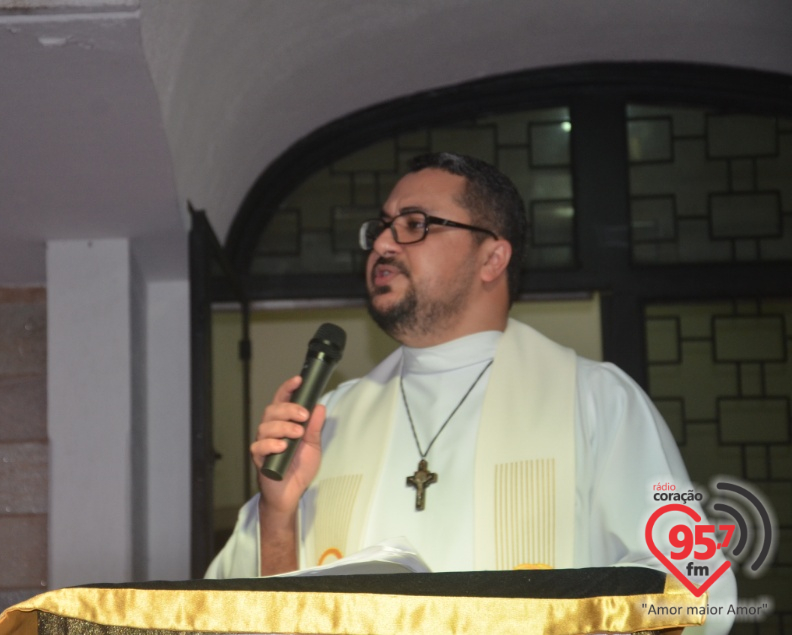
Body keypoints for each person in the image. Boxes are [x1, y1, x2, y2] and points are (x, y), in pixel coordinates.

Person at [206, 152, 735, 633]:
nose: (384, 244)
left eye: (415, 224)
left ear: (492, 258)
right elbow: (228, 610)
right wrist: (278, 517)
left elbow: (696, 589)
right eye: (383, 227)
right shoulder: (332, 417)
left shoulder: (595, 401)